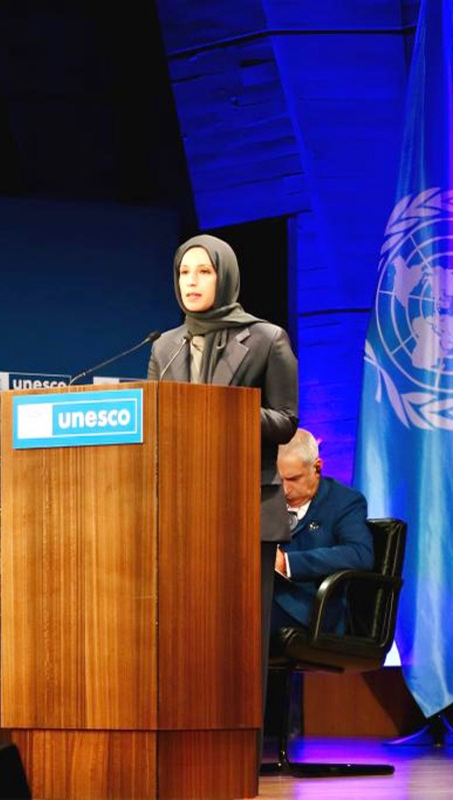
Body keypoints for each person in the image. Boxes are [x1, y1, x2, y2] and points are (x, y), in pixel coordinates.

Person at [147, 233, 298, 759]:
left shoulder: (266, 338)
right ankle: (187, 743)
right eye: (184, 271)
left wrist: (222, 411)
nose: (191, 282)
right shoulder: (164, 346)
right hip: (182, 512)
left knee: (239, 636)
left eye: (203, 272)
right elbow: (155, 421)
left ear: (225, 276)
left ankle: (239, 751)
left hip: (245, 507)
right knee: (185, 635)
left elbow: (284, 421)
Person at [271, 428, 375, 635]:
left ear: (317, 468)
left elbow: (360, 554)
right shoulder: (263, 498)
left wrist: (287, 563)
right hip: (264, 597)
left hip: (311, 608)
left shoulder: (344, 501)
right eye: (278, 479)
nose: (284, 489)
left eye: (293, 479)